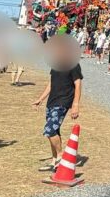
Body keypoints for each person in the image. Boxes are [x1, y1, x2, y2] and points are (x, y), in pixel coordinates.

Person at [32, 35, 83, 172]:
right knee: (55, 131)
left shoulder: (73, 65)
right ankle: (54, 161)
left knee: (49, 130)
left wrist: (75, 105)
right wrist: (40, 99)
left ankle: (60, 156)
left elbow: (78, 84)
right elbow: (51, 83)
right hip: (51, 101)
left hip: (63, 102)